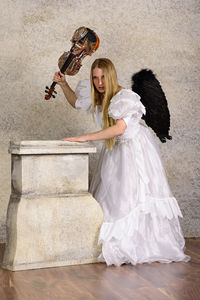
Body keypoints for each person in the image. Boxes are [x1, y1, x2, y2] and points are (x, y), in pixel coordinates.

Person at [53, 58, 190, 266]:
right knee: (112, 197)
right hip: (115, 150)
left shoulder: (124, 97)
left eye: (103, 78)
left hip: (134, 151)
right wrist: (63, 85)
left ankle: (139, 245)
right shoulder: (98, 96)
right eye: (95, 78)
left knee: (131, 197)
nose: (100, 83)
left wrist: (85, 137)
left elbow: (120, 129)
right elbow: (76, 102)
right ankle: (114, 243)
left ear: (111, 76)